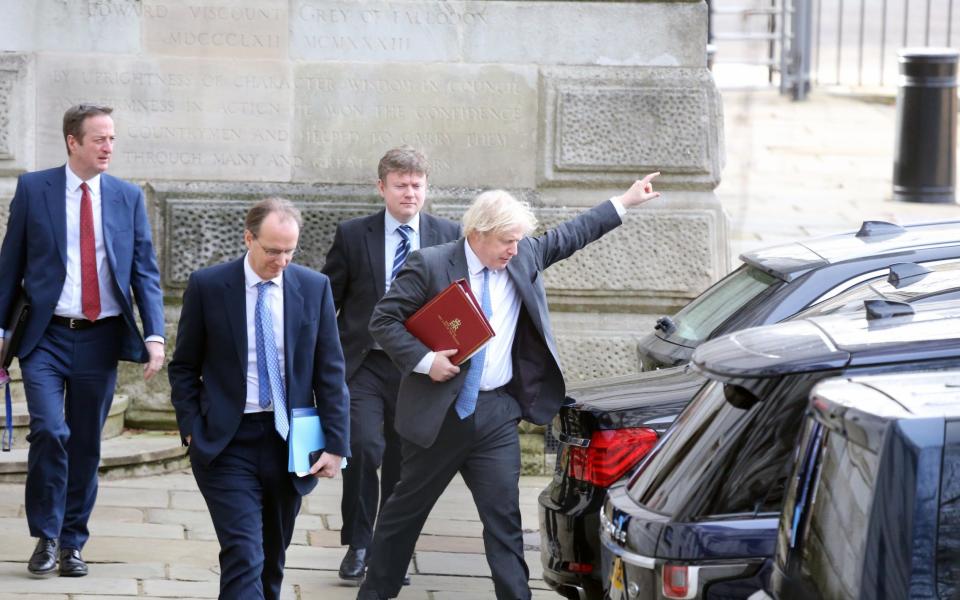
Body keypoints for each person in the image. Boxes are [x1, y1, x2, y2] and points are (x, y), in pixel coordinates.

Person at [358, 173, 661, 599]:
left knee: (504, 522)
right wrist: (426, 362)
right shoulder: (430, 264)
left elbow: (572, 235)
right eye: (506, 241)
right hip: (438, 416)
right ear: (477, 234)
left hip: (497, 416)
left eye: (519, 240)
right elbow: (383, 321)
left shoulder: (523, 257)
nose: (514, 250)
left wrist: (625, 201)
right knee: (403, 517)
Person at [0, 104, 165, 578]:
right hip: (46, 336)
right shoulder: (34, 189)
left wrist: (155, 335)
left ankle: (74, 542)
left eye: (112, 138)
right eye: (99, 139)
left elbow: (144, 272)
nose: (109, 147)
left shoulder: (126, 197)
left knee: (87, 444)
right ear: (73, 141)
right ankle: (46, 537)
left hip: (101, 338)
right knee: (51, 432)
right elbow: (10, 265)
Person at [168, 198, 350, 600]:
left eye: (289, 251)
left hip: (290, 442)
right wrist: (191, 429)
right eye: (272, 250)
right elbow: (183, 367)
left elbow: (330, 372)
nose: (281, 260)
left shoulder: (313, 287)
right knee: (243, 553)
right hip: (226, 441)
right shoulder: (209, 286)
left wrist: (337, 445)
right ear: (248, 238)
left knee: (271, 559)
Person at [322, 146, 460, 583]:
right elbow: (329, 300)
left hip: (418, 367)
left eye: (417, 185)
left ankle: (390, 548)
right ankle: (359, 543)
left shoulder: (448, 234)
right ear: (381, 187)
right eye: (400, 185)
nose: (410, 193)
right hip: (364, 363)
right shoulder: (352, 234)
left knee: (405, 460)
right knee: (363, 448)